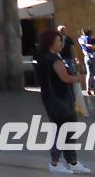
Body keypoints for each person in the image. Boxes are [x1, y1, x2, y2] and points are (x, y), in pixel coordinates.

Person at [36, 27, 90, 175]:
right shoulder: (53, 59)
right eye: (58, 40)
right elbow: (65, 78)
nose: (61, 43)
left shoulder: (42, 58)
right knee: (64, 130)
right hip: (59, 100)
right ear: (50, 43)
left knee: (65, 130)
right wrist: (79, 78)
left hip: (51, 99)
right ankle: (55, 163)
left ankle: (72, 162)